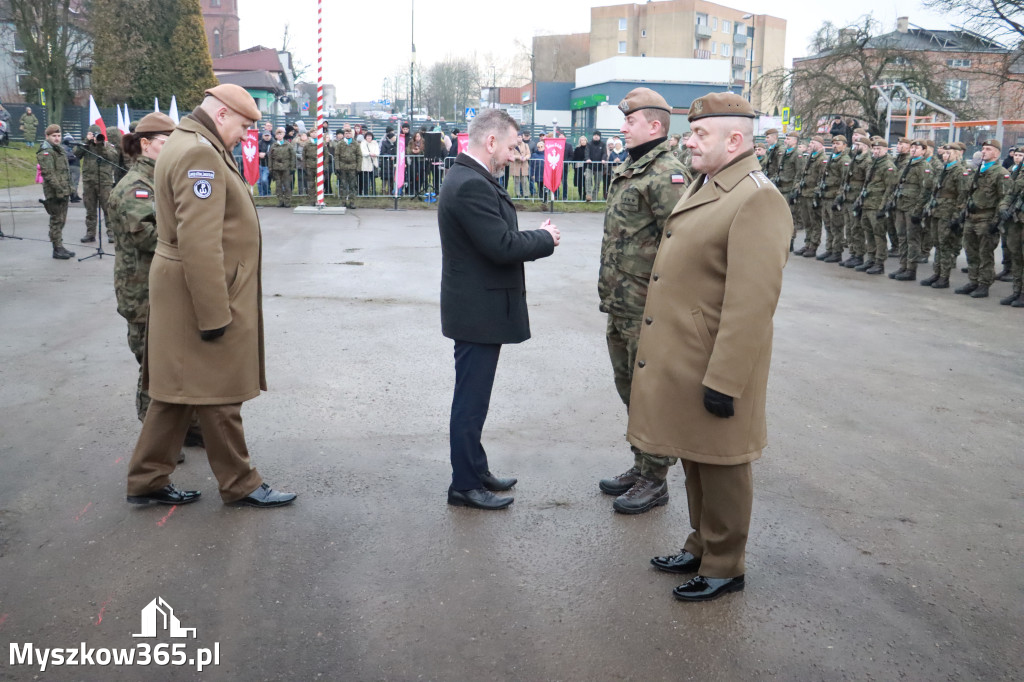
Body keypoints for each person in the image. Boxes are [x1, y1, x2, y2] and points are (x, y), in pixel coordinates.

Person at [634, 92, 792, 602]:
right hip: (688, 355)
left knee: (723, 466)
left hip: (717, 361)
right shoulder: (710, 184)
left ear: (736, 139)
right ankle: (701, 543)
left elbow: (751, 304)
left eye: (700, 134)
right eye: (691, 132)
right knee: (695, 457)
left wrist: (726, 379)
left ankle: (726, 563)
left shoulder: (756, 197)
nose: (689, 140)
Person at [125, 84, 297, 509]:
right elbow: (199, 242)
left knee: (176, 390)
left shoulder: (188, 142)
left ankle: (147, 478)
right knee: (219, 389)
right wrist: (214, 313)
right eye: (242, 126)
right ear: (221, 115)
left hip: (184, 288)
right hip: (199, 292)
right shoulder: (200, 153)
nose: (244, 135)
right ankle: (240, 483)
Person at [437, 108, 560, 511]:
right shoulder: (470, 183)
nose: (513, 154)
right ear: (490, 142)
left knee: (475, 399)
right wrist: (544, 238)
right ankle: (465, 485)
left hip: (478, 307)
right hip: (477, 311)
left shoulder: (472, 177)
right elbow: (501, 245)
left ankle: (475, 468)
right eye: (510, 146)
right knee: (470, 402)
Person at [597, 87, 690, 514]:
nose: (623, 127)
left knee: (650, 393)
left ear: (654, 125)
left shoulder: (668, 174)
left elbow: (681, 244)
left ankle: (655, 478)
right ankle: (641, 464)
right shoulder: (633, 167)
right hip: (621, 302)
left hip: (647, 308)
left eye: (630, 121)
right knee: (629, 388)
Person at [107, 112, 205, 456]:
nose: (175, 149)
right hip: (144, 295)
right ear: (145, 144)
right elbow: (150, 236)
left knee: (181, 364)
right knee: (155, 370)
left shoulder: (160, 181)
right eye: (168, 142)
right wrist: (194, 231)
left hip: (164, 291)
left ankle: (190, 430)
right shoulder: (136, 187)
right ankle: (158, 447)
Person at [955, 139, 1012, 299]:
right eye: (983, 149)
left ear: (997, 153)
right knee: (970, 251)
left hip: (987, 218)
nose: (984, 152)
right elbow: (968, 193)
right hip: (971, 217)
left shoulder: (1001, 173)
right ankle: (973, 281)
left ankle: (984, 284)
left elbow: (1004, 199)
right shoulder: (977, 170)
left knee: (984, 253)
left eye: (988, 149)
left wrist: (996, 222)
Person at [919, 142, 969, 290]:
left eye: (949, 153)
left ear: (957, 154)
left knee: (945, 244)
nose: (945, 156)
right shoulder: (943, 169)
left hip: (948, 212)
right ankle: (937, 272)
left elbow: (963, 195)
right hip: (937, 211)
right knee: (937, 243)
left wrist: (956, 215)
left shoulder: (960, 171)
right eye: (945, 153)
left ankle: (944, 277)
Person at [887, 139, 934, 282]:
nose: (913, 150)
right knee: (902, 237)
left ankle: (911, 269)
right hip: (901, 205)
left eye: (917, 148)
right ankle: (903, 265)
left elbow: (925, 190)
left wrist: (918, 210)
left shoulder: (924, 166)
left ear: (924, 151)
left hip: (912, 207)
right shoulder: (907, 164)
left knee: (912, 239)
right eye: (912, 147)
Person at [76, 125, 120, 243]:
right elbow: (76, 154)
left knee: (108, 208)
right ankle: (90, 233)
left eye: (97, 135)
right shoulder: (86, 146)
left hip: (104, 182)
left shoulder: (107, 145)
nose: (95, 137)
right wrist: (86, 141)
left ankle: (111, 233)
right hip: (89, 182)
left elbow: (113, 157)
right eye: (93, 134)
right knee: (90, 209)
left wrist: (100, 145)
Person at [36, 124, 75, 259]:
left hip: (63, 190)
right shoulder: (46, 152)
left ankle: (60, 245)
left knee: (62, 220)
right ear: (47, 136)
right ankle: (56, 248)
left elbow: (66, 171)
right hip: (54, 192)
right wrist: (59, 189)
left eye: (59, 136)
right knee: (56, 220)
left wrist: (70, 188)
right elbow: (49, 174)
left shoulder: (59, 150)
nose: (57, 138)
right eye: (54, 136)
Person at [334, 127, 361, 208]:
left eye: (349, 133)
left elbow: (359, 156)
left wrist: (358, 167)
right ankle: (343, 201)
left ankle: (352, 202)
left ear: (352, 134)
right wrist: (337, 167)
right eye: (346, 133)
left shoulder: (355, 143)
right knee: (343, 185)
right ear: (344, 134)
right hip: (343, 166)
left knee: (353, 185)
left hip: (353, 167)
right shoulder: (340, 143)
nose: (348, 135)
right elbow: (336, 156)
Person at [268, 127, 295, 207]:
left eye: (281, 134)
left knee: (287, 185)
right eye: (278, 134)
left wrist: (292, 168)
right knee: (278, 185)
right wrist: (271, 168)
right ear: (276, 136)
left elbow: (292, 156)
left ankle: (287, 201)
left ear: (283, 135)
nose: (279, 136)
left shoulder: (288, 145)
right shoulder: (273, 145)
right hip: (276, 168)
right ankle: (280, 201)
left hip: (286, 167)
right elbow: (270, 157)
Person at [585, 131, 604, 200]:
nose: (596, 136)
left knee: (597, 183)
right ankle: (588, 195)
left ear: (599, 136)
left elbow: (604, 153)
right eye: (595, 135)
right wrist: (588, 159)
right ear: (593, 136)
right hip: (589, 166)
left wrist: (603, 159)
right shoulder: (589, 144)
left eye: (597, 135)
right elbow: (586, 152)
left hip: (599, 167)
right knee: (588, 179)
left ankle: (594, 196)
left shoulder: (602, 144)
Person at [62, 134, 82, 202]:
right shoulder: (74, 147)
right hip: (75, 165)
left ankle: (74, 195)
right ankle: (73, 196)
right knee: (75, 182)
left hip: (67, 166)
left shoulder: (63, 147)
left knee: (70, 182)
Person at [359, 130, 379, 196]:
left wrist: (374, 154)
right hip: (365, 164)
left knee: (373, 180)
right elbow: (363, 152)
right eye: (367, 136)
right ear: (365, 137)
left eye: (370, 136)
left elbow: (378, 152)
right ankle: (365, 193)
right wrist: (369, 154)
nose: (369, 137)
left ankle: (374, 193)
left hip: (373, 163)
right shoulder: (363, 143)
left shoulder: (375, 143)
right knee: (365, 180)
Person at [257, 129, 272, 196]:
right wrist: (258, 154)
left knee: (264, 180)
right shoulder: (259, 143)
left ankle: (267, 193)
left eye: (268, 135)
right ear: (263, 136)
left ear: (270, 136)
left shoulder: (273, 143)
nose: (266, 137)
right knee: (259, 182)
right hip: (259, 164)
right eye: (265, 135)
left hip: (268, 165)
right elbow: (255, 151)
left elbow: (273, 152)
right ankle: (261, 194)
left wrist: (265, 154)